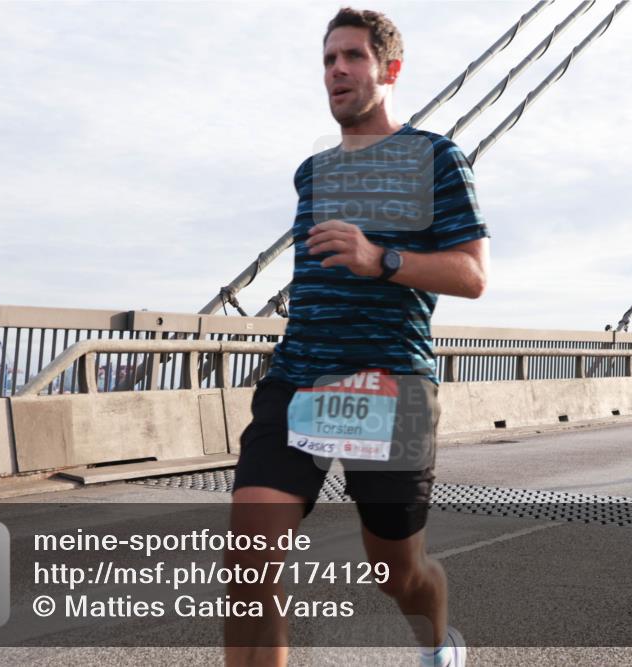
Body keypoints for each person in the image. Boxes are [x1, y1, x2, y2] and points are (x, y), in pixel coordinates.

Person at [225, 7, 490, 667]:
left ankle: (438, 643)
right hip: (298, 379)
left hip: (388, 385)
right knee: (247, 562)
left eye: (352, 57)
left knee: (397, 572)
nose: (337, 70)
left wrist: (382, 259)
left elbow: (473, 273)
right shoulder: (311, 172)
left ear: (389, 69)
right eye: (328, 59)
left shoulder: (435, 157)